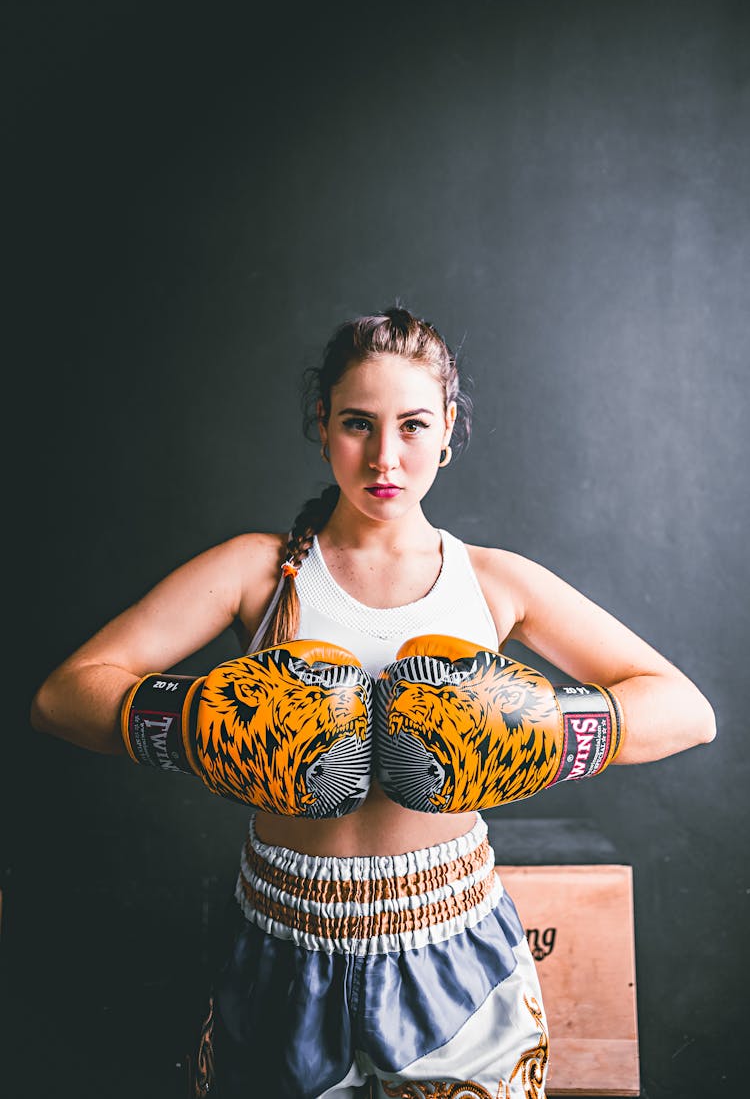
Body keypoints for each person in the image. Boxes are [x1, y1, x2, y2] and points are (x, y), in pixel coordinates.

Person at [31, 306, 716, 1099]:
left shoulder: (492, 582)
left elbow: (686, 710)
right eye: (358, 423)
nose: (386, 456)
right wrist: (201, 724)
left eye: (414, 425)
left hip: (454, 948)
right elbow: (61, 695)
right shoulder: (258, 571)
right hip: (280, 943)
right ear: (321, 424)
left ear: (449, 428)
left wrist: (540, 730)